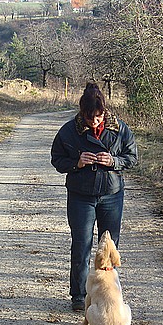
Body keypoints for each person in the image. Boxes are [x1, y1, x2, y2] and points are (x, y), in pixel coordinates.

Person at [51, 82, 138, 311]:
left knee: (109, 247)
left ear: (104, 112)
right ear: (82, 113)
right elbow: (57, 160)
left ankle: (108, 295)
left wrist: (114, 161)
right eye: (90, 118)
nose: (95, 122)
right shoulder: (68, 131)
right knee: (81, 245)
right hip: (81, 196)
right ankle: (78, 296)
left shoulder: (119, 129)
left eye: (98, 117)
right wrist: (76, 163)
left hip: (112, 195)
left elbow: (132, 157)